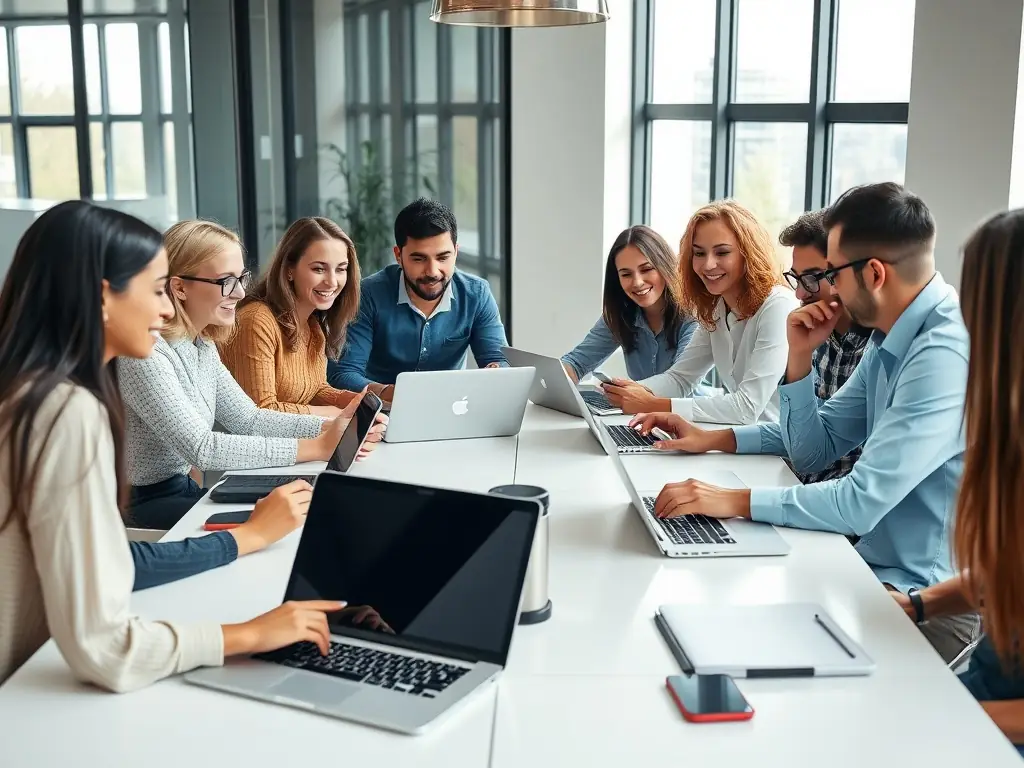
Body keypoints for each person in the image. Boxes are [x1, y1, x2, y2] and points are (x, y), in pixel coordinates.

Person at [0, 200, 343, 691]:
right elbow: (104, 648)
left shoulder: (34, 394)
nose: (166, 310)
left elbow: (243, 418)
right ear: (103, 297)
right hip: (25, 699)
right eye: (158, 290)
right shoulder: (65, 413)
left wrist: (323, 433)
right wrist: (244, 634)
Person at [630, 183, 978, 664]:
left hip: (924, 605)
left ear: (873, 273)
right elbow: (815, 448)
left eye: (828, 273)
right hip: (868, 572)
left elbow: (859, 502)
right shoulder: (891, 337)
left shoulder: (941, 354)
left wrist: (731, 500)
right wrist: (798, 361)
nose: (813, 291)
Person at [118, 219, 379, 531]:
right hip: (137, 504)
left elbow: (248, 418)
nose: (241, 292)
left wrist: (333, 427)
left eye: (241, 278)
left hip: (179, 490)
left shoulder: (201, 342)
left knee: (308, 509)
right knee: (295, 524)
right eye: (226, 282)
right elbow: (203, 448)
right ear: (179, 287)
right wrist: (319, 445)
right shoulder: (147, 353)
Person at [888, 209, 1024, 755]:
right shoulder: (1008, 432)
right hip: (980, 693)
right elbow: (1006, 572)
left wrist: (935, 712)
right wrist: (918, 605)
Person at [602, 200, 797, 423]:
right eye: (699, 253)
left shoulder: (778, 305)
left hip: (782, 452)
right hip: (741, 443)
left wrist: (653, 404)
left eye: (722, 252)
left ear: (748, 254)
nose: (708, 265)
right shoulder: (716, 308)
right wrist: (625, 392)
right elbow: (680, 379)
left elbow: (747, 407)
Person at [326, 198, 508, 401]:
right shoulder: (367, 295)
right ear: (398, 255)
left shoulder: (477, 294)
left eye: (443, 258)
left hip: (453, 409)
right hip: (381, 413)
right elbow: (342, 375)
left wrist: (497, 370)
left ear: (456, 252)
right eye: (419, 259)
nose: (432, 271)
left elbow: (498, 359)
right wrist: (396, 394)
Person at [220, 217, 362, 417]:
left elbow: (315, 390)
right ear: (289, 271)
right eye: (319, 269)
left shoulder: (313, 325)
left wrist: (360, 402)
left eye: (341, 269)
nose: (332, 282)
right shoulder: (256, 320)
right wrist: (336, 415)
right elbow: (262, 411)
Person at [780, 210, 870, 483]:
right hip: (807, 487)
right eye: (796, 278)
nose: (799, 293)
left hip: (837, 507)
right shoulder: (820, 332)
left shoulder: (877, 347)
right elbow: (803, 439)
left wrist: (745, 502)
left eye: (811, 278)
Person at [560, 225, 698, 383]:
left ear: (664, 266)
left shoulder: (692, 317)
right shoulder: (621, 314)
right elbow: (576, 363)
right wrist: (553, 379)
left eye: (646, 269)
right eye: (626, 274)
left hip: (687, 407)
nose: (637, 283)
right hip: (639, 407)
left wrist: (628, 393)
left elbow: (679, 383)